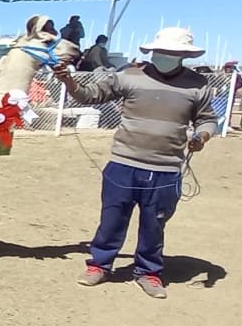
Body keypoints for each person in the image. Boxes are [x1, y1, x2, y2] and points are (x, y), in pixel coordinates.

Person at [54, 27, 219, 299]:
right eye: (162, 51)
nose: (166, 56)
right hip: (123, 163)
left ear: (183, 55)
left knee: (155, 223)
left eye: (173, 52)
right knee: (111, 219)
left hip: (166, 169)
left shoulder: (197, 85)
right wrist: (69, 82)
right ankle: (99, 265)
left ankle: (148, 272)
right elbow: (89, 95)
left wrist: (202, 136)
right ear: (153, 51)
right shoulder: (128, 76)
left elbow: (207, 119)